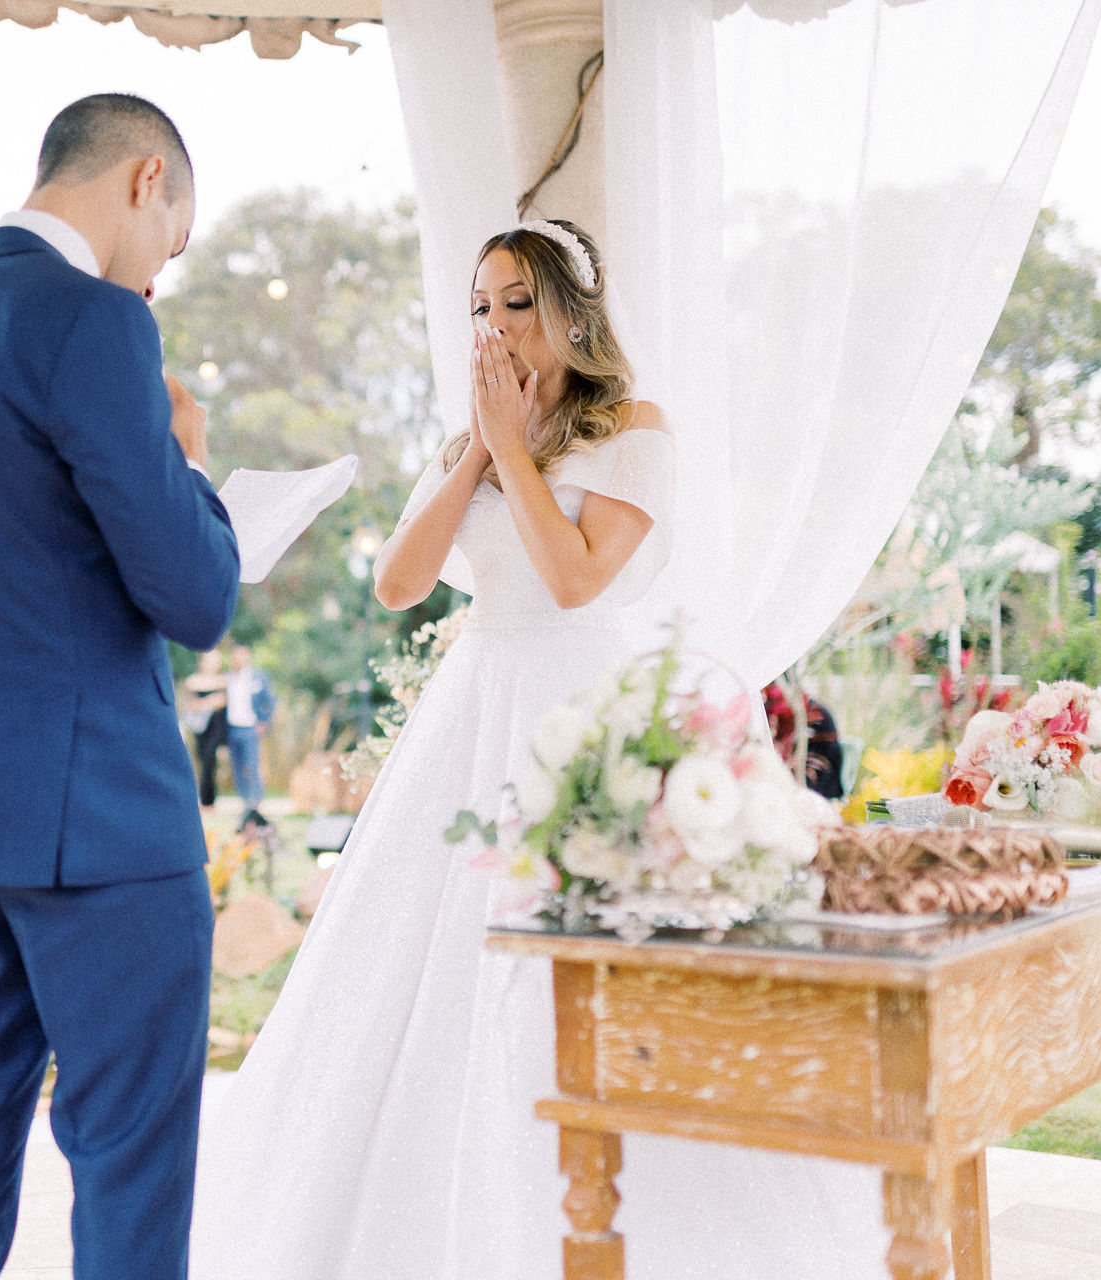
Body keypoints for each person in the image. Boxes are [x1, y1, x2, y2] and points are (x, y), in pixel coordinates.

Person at [190, 223, 887, 1277]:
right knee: (420, 959)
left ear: (572, 309)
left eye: (517, 301)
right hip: (474, 703)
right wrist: (479, 442)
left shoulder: (632, 428)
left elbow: (573, 579)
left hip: (580, 706)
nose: (495, 324)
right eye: (480, 304)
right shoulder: (474, 431)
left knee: (574, 947)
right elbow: (398, 583)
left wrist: (514, 448)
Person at [0, 93, 236, 1280]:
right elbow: (193, 594)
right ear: (144, 178)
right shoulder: (93, 325)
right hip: (103, 823)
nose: (157, 280)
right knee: (126, 1154)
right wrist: (191, 467)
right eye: (171, 242)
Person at [765, 681, 846, 801]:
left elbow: (812, 775)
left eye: (772, 700)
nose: (767, 703)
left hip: (818, 793)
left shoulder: (815, 715)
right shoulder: (774, 714)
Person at [222, 643, 275, 827]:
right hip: (232, 727)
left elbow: (270, 700)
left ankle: (255, 802)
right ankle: (244, 801)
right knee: (237, 767)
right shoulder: (227, 678)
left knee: (251, 765)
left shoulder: (257, 677)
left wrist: (264, 721)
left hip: (250, 727)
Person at [182, 650, 229, 810]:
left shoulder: (223, 680)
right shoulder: (194, 681)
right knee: (202, 761)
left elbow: (223, 701)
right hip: (200, 727)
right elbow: (191, 704)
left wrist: (203, 704)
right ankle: (205, 799)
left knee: (210, 759)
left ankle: (209, 801)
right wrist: (210, 702)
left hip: (216, 726)